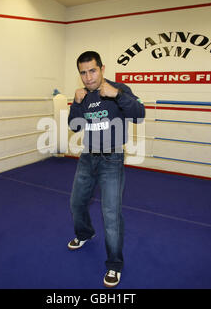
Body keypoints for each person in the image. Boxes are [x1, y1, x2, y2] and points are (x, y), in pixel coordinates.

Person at [67, 51, 145, 288]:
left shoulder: (119, 89)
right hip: (88, 157)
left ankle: (114, 264)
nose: (88, 77)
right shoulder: (84, 95)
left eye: (92, 70)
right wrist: (76, 103)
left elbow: (139, 114)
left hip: (112, 159)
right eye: (83, 72)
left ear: (102, 68)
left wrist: (118, 95)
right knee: (76, 203)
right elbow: (74, 125)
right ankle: (85, 234)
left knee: (111, 214)